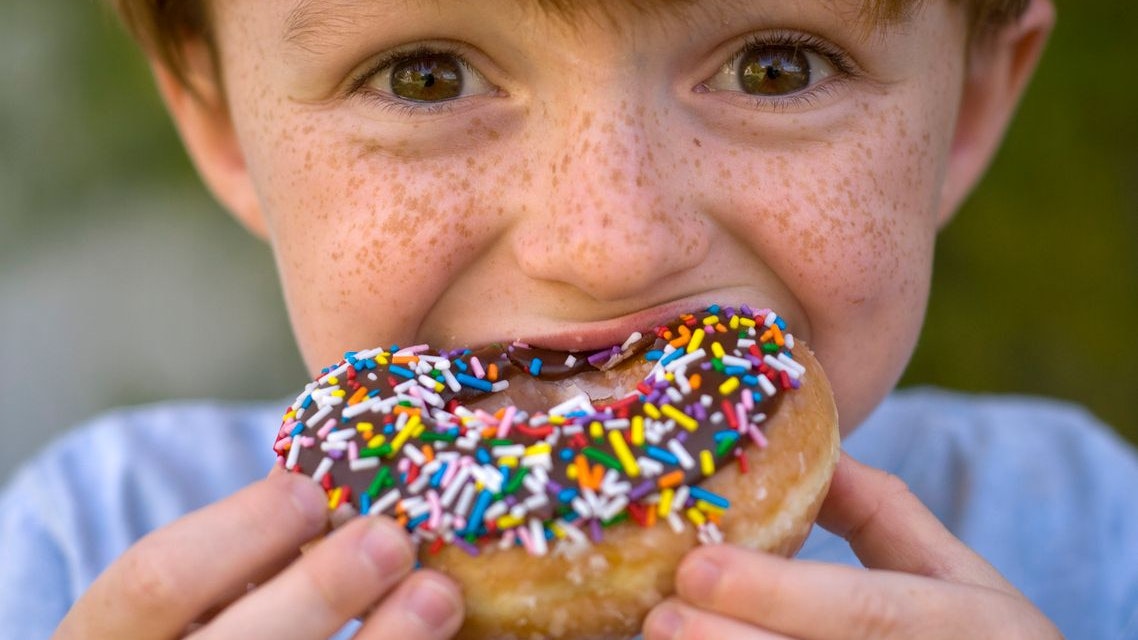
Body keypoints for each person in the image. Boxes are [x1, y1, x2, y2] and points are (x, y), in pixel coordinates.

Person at [2, 0, 1136, 638]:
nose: (610, 243)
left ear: (973, 99)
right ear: (221, 124)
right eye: (424, 77)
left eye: (776, 67)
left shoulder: (1087, 545)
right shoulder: (79, 549)